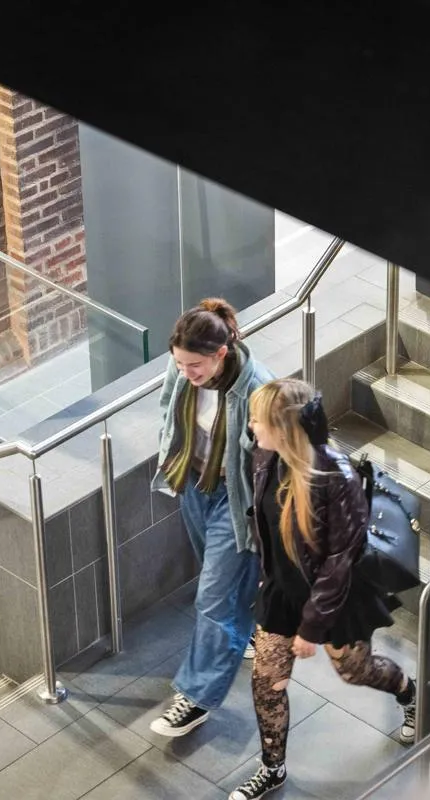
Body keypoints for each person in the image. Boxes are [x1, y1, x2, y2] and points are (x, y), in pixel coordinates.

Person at [228, 379, 417, 800]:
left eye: (259, 420)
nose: (251, 426)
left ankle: (409, 691)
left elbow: (339, 561)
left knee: (354, 670)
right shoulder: (265, 455)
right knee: (267, 682)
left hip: (335, 598)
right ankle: (272, 768)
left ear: (285, 430)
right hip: (282, 591)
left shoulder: (337, 477)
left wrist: (311, 628)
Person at [150, 298, 273, 737]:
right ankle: (244, 629)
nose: (186, 372)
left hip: (234, 500)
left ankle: (197, 697)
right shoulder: (183, 369)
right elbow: (168, 407)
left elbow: (275, 457)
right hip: (194, 483)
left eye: (195, 365)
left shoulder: (257, 388)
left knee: (214, 598)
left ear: (221, 353)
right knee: (221, 585)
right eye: (179, 364)